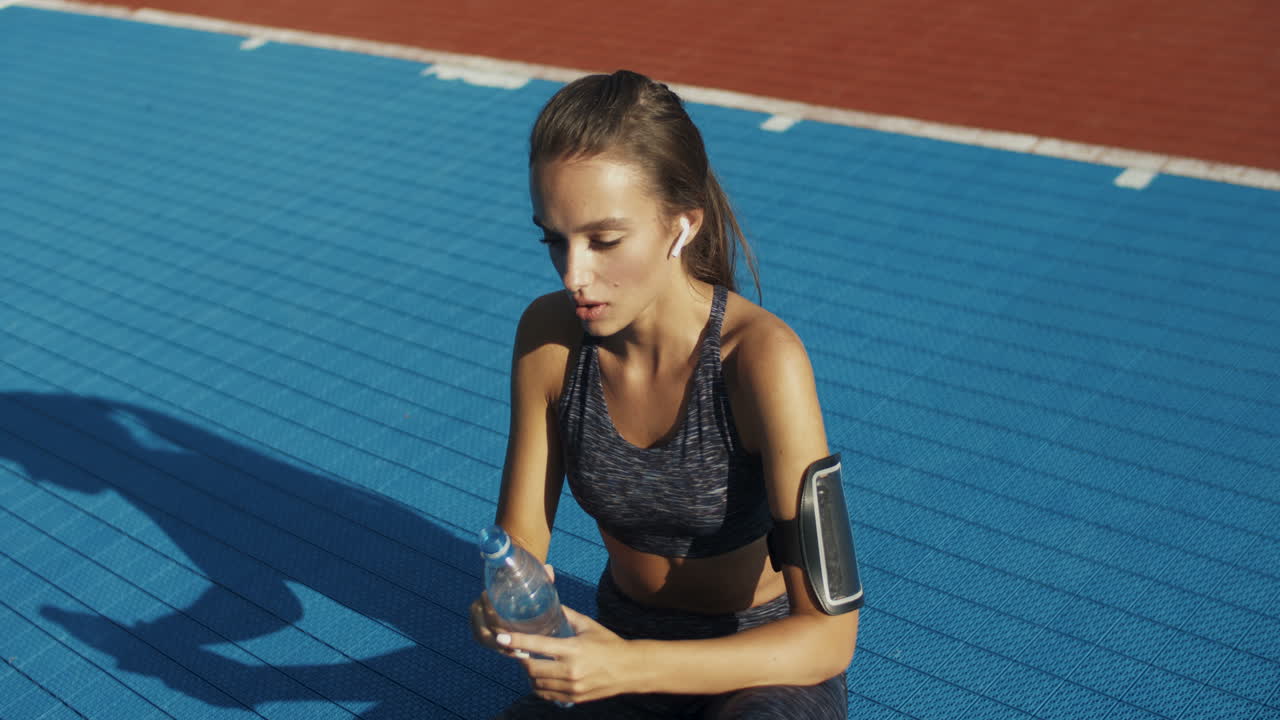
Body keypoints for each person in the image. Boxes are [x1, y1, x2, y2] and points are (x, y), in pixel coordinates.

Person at [470, 69, 858, 719]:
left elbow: (828, 636)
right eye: (554, 240)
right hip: (617, 654)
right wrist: (505, 611)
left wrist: (629, 665)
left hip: (758, 668)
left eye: (604, 240)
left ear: (682, 225)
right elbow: (520, 555)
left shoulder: (762, 362)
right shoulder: (549, 340)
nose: (574, 274)